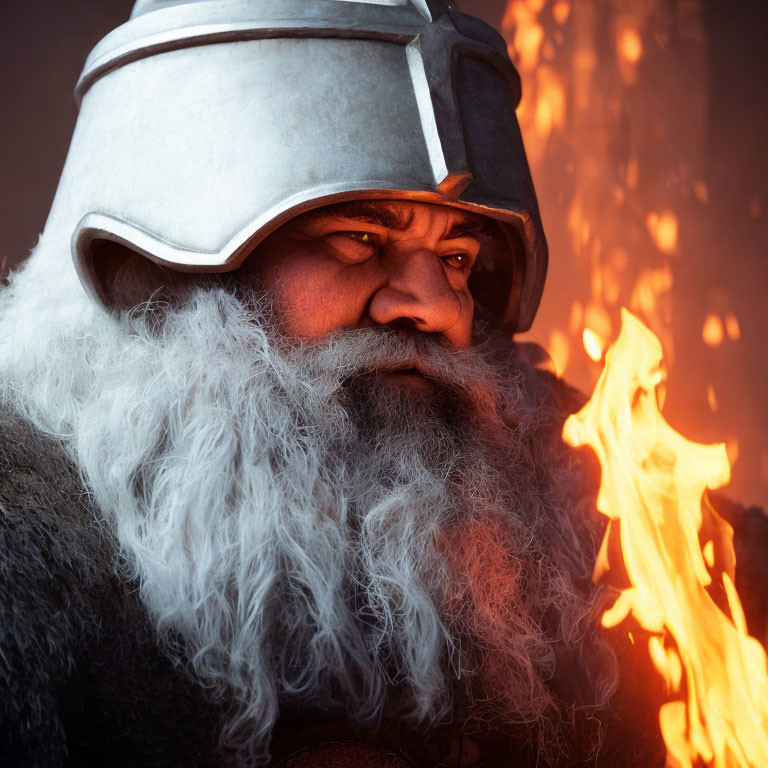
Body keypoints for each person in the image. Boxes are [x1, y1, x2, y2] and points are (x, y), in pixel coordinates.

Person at [0, 1, 765, 766]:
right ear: (157, 269)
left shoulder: (568, 478)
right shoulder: (19, 539)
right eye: (360, 239)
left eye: (458, 257)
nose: (439, 309)